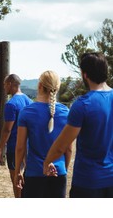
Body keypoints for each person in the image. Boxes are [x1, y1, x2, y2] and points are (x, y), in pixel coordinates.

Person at [44, 53, 113, 198]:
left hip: (88, 182)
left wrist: (47, 162)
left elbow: (62, 145)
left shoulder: (83, 105)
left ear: (85, 74)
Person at [14, 70, 72, 198]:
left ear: (39, 86)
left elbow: (20, 147)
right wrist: (63, 169)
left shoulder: (27, 112)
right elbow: (68, 149)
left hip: (34, 173)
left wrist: (17, 171)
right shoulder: (66, 113)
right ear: (57, 88)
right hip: (59, 174)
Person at [0, 74, 33, 197]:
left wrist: (0, 147)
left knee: (16, 180)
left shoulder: (11, 104)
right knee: (27, 179)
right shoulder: (30, 101)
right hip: (29, 147)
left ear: (10, 84)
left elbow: (7, 129)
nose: (4, 88)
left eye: (5, 85)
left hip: (14, 147)